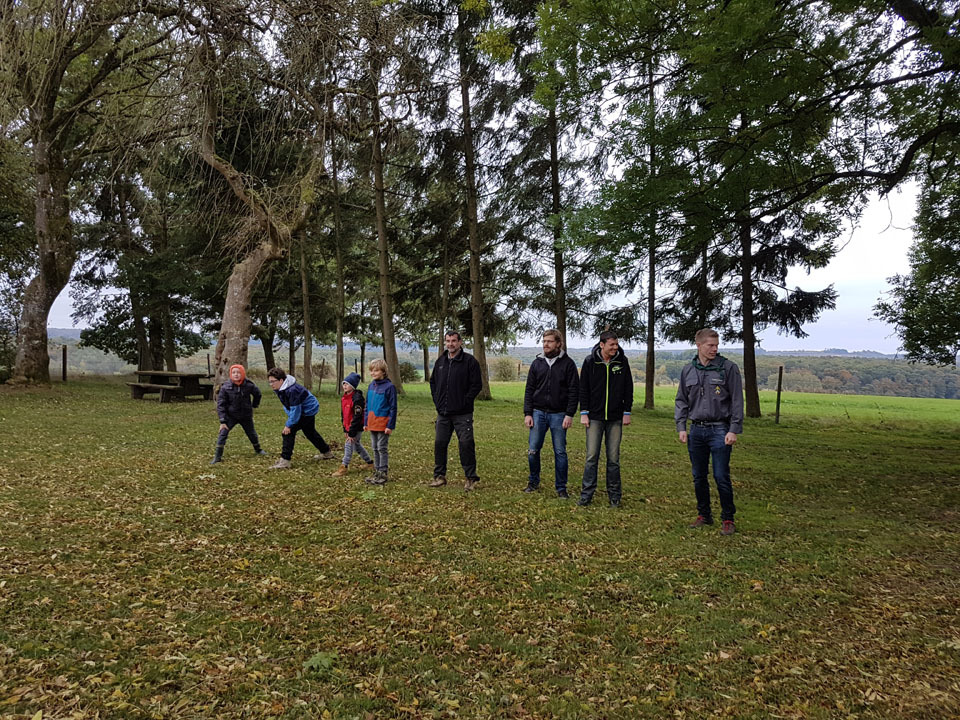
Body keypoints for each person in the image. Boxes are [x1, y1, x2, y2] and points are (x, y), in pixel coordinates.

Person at [675, 328, 743, 535]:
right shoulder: (689, 370)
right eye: (710, 345)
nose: (714, 349)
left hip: (720, 430)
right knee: (698, 476)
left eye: (716, 345)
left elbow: (737, 401)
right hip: (696, 430)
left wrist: (733, 429)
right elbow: (681, 400)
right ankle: (704, 515)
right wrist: (681, 426)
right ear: (699, 345)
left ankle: (728, 518)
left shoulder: (728, 368)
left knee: (721, 475)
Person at [578, 330, 633, 507]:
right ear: (602, 345)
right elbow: (583, 388)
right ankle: (586, 494)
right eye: (611, 345)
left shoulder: (622, 362)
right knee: (591, 457)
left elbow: (628, 387)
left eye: (617, 344)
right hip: (594, 417)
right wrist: (584, 412)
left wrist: (627, 411)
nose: (615, 347)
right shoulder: (590, 362)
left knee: (613, 458)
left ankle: (615, 496)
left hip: (616, 418)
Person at [522, 329, 579, 498]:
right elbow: (529, 389)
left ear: (559, 344)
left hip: (559, 414)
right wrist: (528, 413)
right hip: (538, 412)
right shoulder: (537, 363)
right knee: (533, 450)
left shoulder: (568, 364)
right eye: (544, 341)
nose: (546, 344)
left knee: (560, 452)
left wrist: (569, 414)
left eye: (550, 341)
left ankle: (561, 488)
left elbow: (574, 391)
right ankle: (533, 482)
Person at [429, 331, 483, 491]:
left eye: (453, 341)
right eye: (448, 341)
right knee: (440, 444)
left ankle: (470, 478)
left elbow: (476, 385)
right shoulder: (441, 361)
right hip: (443, 413)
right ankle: (439, 476)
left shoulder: (469, 362)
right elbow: (433, 382)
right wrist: (437, 401)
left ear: (460, 342)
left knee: (466, 444)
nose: (450, 344)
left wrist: (464, 401)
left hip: (463, 414)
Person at [266, 367, 335, 469]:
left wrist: (289, 425)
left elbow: (296, 410)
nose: (271, 384)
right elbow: (287, 405)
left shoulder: (292, 390)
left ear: (281, 380)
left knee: (288, 432)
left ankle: (285, 461)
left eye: (273, 381)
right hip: (304, 410)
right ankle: (326, 453)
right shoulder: (281, 388)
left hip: (307, 411)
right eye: (269, 382)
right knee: (310, 432)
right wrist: (290, 416)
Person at [210, 363, 268, 464]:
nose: (236, 374)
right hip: (230, 416)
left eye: (238, 372)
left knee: (251, 433)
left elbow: (257, 394)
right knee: (223, 434)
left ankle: (258, 449)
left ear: (243, 373)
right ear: (230, 374)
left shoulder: (249, 385)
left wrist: (254, 405)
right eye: (233, 372)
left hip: (245, 415)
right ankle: (217, 456)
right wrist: (223, 420)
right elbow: (221, 405)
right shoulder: (225, 387)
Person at [331, 372, 374, 477]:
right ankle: (370, 463)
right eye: (344, 383)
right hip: (349, 427)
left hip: (356, 427)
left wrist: (351, 432)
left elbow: (357, 417)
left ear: (353, 386)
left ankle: (344, 467)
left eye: (347, 384)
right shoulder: (344, 398)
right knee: (357, 446)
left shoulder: (357, 399)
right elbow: (344, 415)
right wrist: (345, 429)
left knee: (348, 445)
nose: (345, 386)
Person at [363, 358, 398, 485]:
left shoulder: (390, 387)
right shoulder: (371, 386)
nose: (373, 373)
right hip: (372, 422)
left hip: (383, 423)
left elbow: (393, 408)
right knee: (374, 448)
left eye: (376, 370)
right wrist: (365, 422)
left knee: (381, 447)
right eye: (371, 370)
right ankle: (376, 471)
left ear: (383, 371)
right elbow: (367, 405)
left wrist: (390, 425)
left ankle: (383, 472)